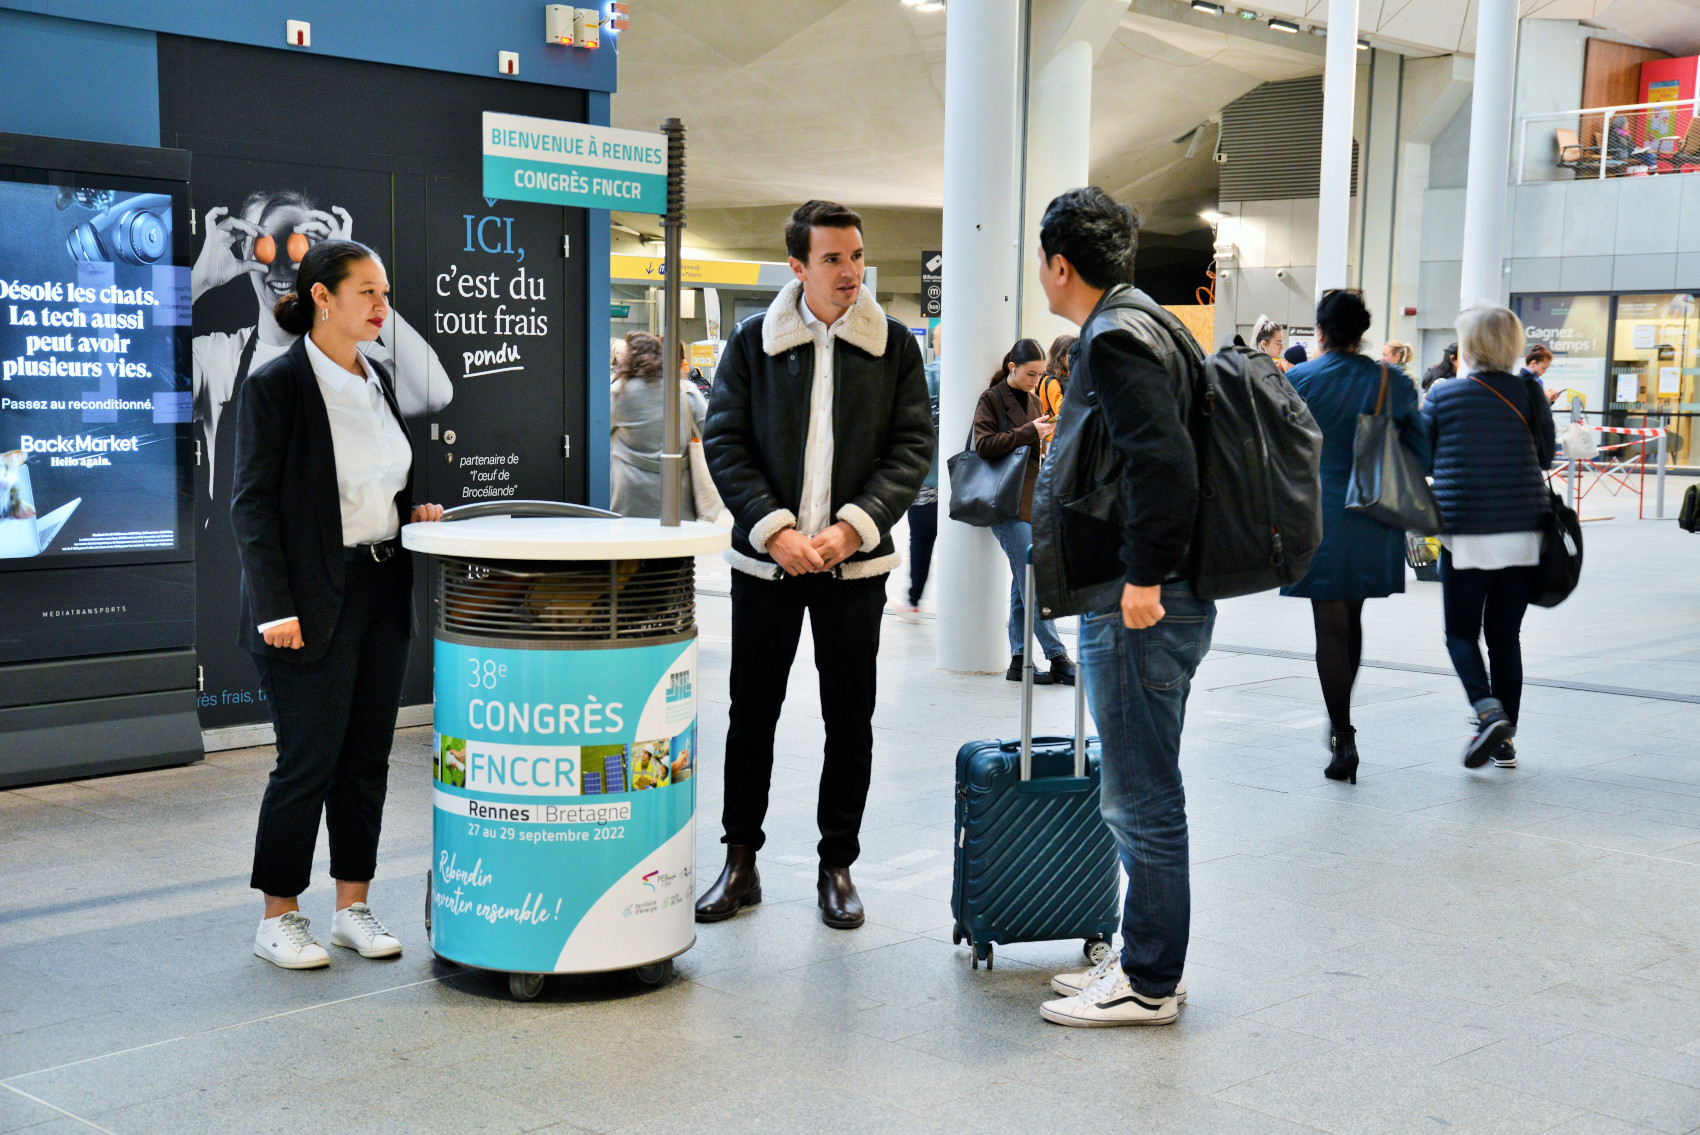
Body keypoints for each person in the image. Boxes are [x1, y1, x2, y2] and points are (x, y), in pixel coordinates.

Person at [697, 200, 933, 930]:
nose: (850, 272)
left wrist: (852, 529)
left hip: (851, 567)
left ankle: (838, 865)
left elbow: (911, 448)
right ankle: (740, 861)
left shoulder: (893, 345)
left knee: (849, 717)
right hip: (768, 564)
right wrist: (774, 530)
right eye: (833, 258)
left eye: (857, 256)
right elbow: (725, 440)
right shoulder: (751, 343)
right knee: (752, 714)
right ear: (796, 265)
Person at [231, 240, 445, 969]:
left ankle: (351, 904)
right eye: (368, 293)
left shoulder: (376, 377)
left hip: (382, 589)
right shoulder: (278, 384)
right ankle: (279, 914)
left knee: (366, 759)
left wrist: (412, 513)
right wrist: (273, 606)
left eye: (384, 293)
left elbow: (370, 486)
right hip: (306, 600)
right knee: (307, 760)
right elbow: (252, 506)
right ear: (322, 296)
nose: (382, 306)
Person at [1030, 188, 1211, 1028]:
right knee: (1140, 787)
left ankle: (1147, 978)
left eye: (1042, 259)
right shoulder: (1151, 320)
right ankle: (1145, 961)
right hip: (1158, 592)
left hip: (1142, 600)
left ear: (1059, 264)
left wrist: (1142, 576)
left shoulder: (1114, 336)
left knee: (1140, 794)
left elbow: (1162, 464)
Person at [1281, 290, 1431, 785]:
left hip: (1317, 514)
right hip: (1372, 512)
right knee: (1355, 614)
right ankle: (1342, 725)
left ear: (1320, 331)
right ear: (1363, 331)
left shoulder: (1299, 379)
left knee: (1329, 626)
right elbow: (1422, 451)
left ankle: (1341, 735)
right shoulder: (1392, 380)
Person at [1423, 306, 1555, 769]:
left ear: (1470, 345)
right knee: (1505, 638)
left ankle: (1487, 710)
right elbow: (1544, 455)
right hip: (1523, 532)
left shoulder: (1444, 396)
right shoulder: (1530, 392)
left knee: (1461, 633)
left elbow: (1422, 456)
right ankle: (1505, 741)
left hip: (1466, 534)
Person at [973, 338, 1075, 685]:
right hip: (1004, 502)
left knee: (1023, 580)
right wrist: (1028, 431)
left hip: (1031, 500)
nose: (1036, 381)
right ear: (1012, 368)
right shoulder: (992, 398)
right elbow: (984, 446)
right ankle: (1058, 656)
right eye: (1031, 374)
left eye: (1040, 374)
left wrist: (1042, 437)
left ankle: (1019, 662)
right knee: (1033, 579)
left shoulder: (1033, 400)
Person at [610, 332, 708, 519]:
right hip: (678, 495)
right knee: (676, 545)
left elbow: (600, 432)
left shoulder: (618, 393)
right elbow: (710, 434)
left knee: (633, 545)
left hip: (629, 495)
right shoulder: (686, 392)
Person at [901, 323, 943, 621]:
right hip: (963, 478)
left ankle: (914, 600)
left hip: (925, 475)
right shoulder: (976, 376)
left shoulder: (927, 376)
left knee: (921, 538)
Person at [1037, 333, 1076, 418]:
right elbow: (1064, 412)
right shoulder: (1052, 381)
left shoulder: (1064, 377)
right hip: (1054, 430)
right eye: (1073, 354)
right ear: (1061, 356)